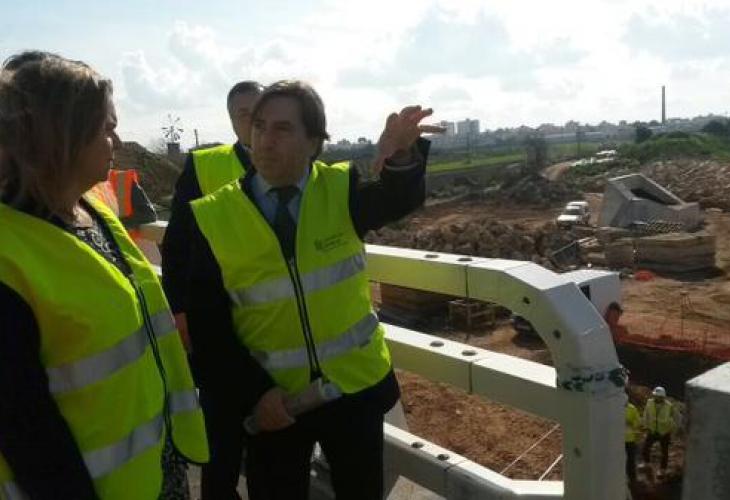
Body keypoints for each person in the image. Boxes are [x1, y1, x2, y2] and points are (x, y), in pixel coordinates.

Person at [185, 79, 440, 499]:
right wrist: (256, 394)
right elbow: (208, 325)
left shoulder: (341, 188)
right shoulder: (214, 216)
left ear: (314, 141)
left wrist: (401, 156)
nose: (265, 140)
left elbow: (397, 199)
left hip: (354, 392)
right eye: (260, 126)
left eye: (283, 129)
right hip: (275, 404)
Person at [0, 51, 208, 499]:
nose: (116, 141)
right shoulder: (8, 258)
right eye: (106, 128)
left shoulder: (90, 208)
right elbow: (24, 428)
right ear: (63, 136)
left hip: (154, 471)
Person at [161, 80, 263, 498]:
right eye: (244, 115)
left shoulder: (294, 162)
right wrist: (180, 311)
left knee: (271, 446)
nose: (254, 123)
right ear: (232, 121)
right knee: (221, 440)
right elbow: (176, 246)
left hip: (272, 327)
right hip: (217, 324)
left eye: (260, 112)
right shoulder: (205, 167)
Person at [642, 386, 677, 476]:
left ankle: (662, 470)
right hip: (652, 430)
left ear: (662, 397)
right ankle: (647, 464)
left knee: (664, 452)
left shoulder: (669, 406)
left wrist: (672, 429)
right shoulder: (649, 403)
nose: (656, 397)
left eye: (658, 396)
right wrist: (645, 426)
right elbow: (646, 414)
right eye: (655, 395)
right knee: (645, 448)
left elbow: (676, 418)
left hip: (664, 432)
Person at [625, 397, 641, 483]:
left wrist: (631, 423)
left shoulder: (632, 408)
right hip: (618, 440)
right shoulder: (615, 408)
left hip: (630, 439)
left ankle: (632, 477)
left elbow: (638, 422)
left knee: (630, 459)